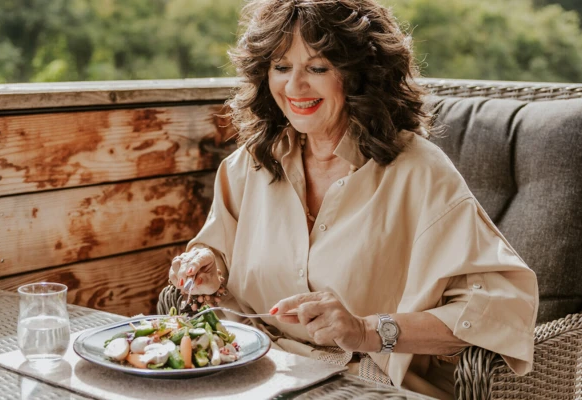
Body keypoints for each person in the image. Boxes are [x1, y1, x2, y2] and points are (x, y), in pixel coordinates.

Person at [167, 0, 538, 398]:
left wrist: (366, 331)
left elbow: (496, 314)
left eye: (318, 67)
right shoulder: (251, 163)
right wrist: (207, 268)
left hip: (366, 382)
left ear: (361, 74)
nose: (294, 87)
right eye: (281, 67)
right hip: (254, 371)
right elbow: (216, 255)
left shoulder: (421, 172)